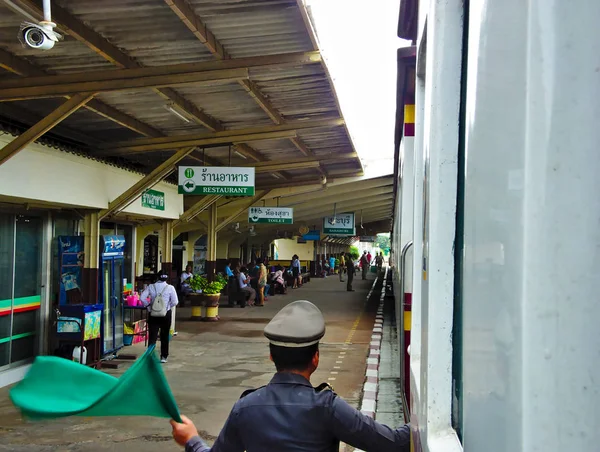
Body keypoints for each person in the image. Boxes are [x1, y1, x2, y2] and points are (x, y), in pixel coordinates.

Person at [169, 300, 410, 451]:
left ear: (271, 357)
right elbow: (392, 443)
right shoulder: (328, 407)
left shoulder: (246, 407)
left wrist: (192, 439)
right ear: (315, 359)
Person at [140, 269, 179, 363]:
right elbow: (175, 302)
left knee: (152, 336)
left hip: (153, 314)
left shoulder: (151, 286)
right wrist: (167, 307)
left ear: (157, 277)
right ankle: (163, 356)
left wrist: (149, 307)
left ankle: (150, 356)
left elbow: (142, 298)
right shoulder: (170, 288)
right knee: (164, 335)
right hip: (166, 314)